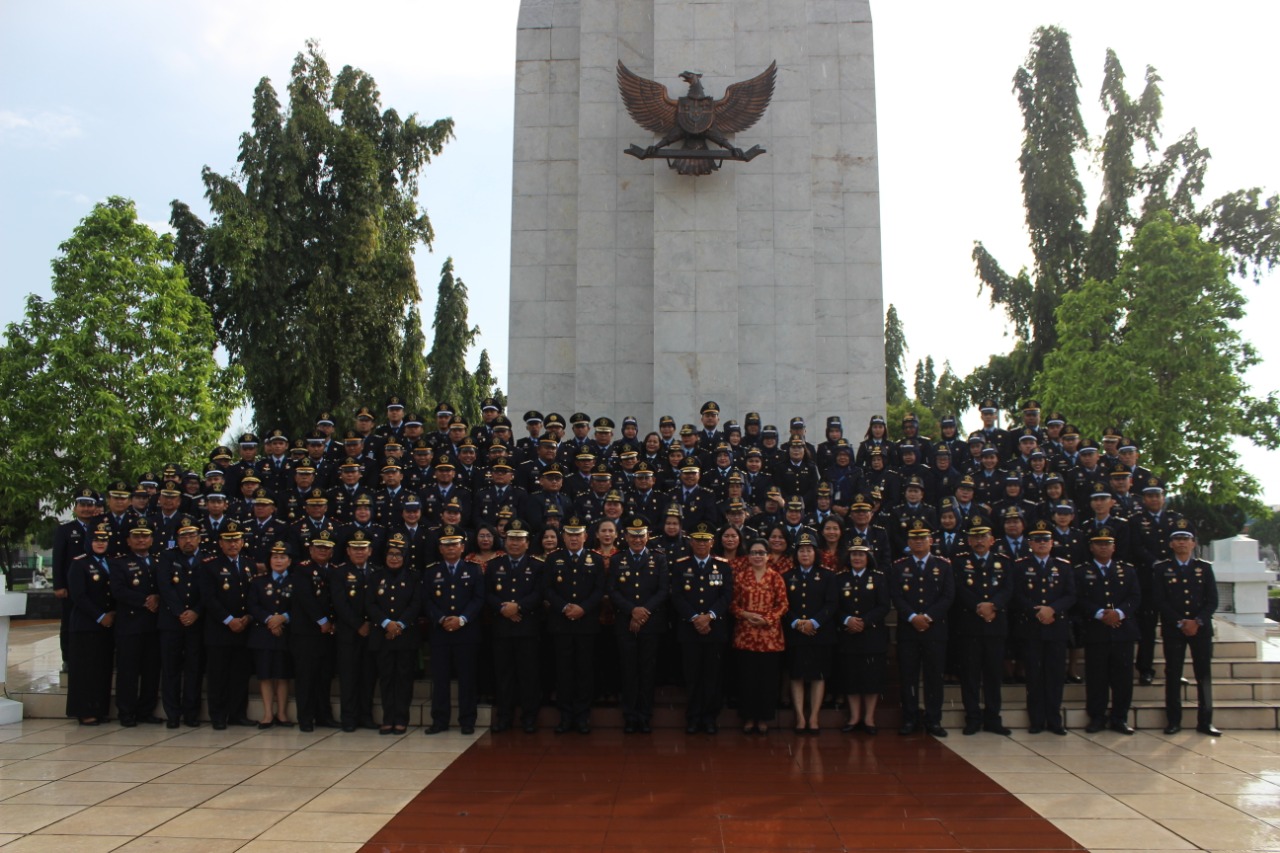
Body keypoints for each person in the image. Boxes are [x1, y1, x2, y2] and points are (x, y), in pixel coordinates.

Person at [1153, 521, 1221, 736]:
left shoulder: (1204, 568)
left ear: (1193, 543)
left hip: (1200, 628)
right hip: (1175, 628)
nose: (1181, 543)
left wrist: (1196, 621)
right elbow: (1160, 600)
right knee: (1173, 674)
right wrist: (1181, 621)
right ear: (1171, 544)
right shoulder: (1162, 569)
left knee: (1204, 675)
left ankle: (1206, 721)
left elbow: (1212, 601)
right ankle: (1174, 720)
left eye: (1185, 539)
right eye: (1177, 539)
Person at [890, 520, 954, 737]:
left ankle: (934, 720)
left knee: (934, 677)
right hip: (908, 630)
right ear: (908, 542)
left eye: (922, 538)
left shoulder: (944, 565)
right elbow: (896, 596)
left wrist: (926, 617)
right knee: (908, 677)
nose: (918, 542)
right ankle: (909, 719)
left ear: (931, 541)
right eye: (914, 538)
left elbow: (948, 596)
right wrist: (911, 616)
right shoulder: (899, 566)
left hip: (935, 630)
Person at [669, 522, 734, 734]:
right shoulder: (680, 566)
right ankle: (693, 717)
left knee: (712, 676)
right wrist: (696, 618)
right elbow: (677, 596)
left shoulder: (722, 566)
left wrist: (710, 616)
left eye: (705, 540)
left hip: (715, 629)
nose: (701, 543)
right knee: (693, 676)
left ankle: (709, 717)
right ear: (691, 541)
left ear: (712, 542)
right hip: (690, 629)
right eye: (697, 539)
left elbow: (726, 596)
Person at [1075, 526, 1141, 734]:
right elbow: (1078, 598)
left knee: (1123, 678)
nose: (1103, 547)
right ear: (1091, 547)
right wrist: (1099, 614)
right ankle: (1097, 717)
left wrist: (1119, 613)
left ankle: (1120, 718)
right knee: (1097, 677)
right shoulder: (1081, 571)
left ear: (1114, 547)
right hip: (1096, 631)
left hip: (1123, 631)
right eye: (1099, 544)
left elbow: (1135, 597)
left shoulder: (1127, 570)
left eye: (1107, 544)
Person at [953, 515, 1014, 736]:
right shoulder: (959, 561)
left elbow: (1008, 588)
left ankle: (993, 718)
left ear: (992, 540)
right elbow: (959, 588)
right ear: (968, 540)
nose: (979, 541)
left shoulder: (1004, 561)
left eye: (983, 536)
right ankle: (973, 717)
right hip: (970, 625)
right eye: (974, 537)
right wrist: (979, 606)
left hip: (995, 625)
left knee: (993, 675)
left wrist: (993, 605)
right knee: (969, 675)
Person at [1012, 524, 1075, 735]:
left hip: (1056, 628)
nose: (1041, 544)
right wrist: (1036, 611)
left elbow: (1070, 595)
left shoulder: (1064, 566)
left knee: (1055, 675)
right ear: (1029, 544)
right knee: (1034, 676)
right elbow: (1017, 594)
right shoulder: (1020, 566)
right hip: (1031, 627)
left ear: (1051, 543)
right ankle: (1036, 720)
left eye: (1045, 540)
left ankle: (1054, 720)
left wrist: (1052, 609)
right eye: (1037, 541)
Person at [607, 518, 669, 733]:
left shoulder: (659, 559)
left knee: (647, 670)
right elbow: (612, 590)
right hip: (625, 623)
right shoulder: (617, 560)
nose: (637, 539)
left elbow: (663, 590)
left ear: (647, 537)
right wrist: (632, 610)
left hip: (651, 623)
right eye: (632, 535)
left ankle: (645, 715)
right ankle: (630, 716)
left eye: (641, 535)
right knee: (628, 670)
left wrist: (643, 612)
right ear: (625, 537)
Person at [545, 517, 604, 734]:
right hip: (561, 624)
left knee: (584, 671)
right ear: (564, 536)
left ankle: (582, 716)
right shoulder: (554, 559)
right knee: (564, 672)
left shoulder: (595, 559)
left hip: (586, 624)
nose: (573, 538)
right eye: (569, 534)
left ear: (585, 537)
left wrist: (583, 608)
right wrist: (565, 607)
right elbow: (548, 589)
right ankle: (565, 716)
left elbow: (599, 590)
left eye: (577, 534)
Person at [423, 525, 485, 734]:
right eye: (446, 545)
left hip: (466, 632)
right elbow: (427, 600)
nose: (450, 548)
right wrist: (441, 618)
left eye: (454, 544)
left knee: (467, 679)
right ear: (440, 548)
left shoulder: (473, 569)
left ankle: (467, 720)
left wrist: (462, 619)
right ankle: (440, 720)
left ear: (462, 547)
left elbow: (478, 599)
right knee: (440, 680)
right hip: (440, 632)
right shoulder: (432, 571)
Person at [486, 520, 544, 733]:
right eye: (511, 538)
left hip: (528, 629)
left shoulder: (537, 565)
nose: (515, 543)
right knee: (504, 676)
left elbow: (539, 593)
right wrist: (504, 609)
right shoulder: (493, 565)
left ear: (528, 543)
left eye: (520, 539)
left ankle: (529, 718)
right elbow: (488, 593)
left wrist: (518, 607)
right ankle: (504, 717)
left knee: (529, 676)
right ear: (505, 540)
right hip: (502, 628)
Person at [200, 521, 255, 729]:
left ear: (242, 542)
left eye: (237, 540)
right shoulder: (209, 565)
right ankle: (218, 715)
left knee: (240, 675)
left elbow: (252, 595)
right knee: (218, 675)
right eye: (228, 540)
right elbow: (209, 598)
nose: (233, 544)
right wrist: (228, 620)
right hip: (219, 629)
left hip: (243, 628)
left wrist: (247, 617)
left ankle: (238, 713)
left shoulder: (248, 564)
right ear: (220, 543)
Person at [366, 533, 422, 734]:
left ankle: (401, 718)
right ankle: (388, 718)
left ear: (405, 556)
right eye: (391, 553)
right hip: (382, 635)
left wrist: (399, 625)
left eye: (399, 554)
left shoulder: (414, 577)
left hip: (405, 636)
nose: (394, 558)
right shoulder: (375, 576)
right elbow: (370, 604)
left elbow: (416, 604)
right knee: (386, 678)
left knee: (404, 678)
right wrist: (387, 623)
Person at [731, 538, 788, 734]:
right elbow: (732, 604)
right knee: (747, 680)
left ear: (768, 556)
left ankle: (763, 719)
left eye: (761, 553)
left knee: (767, 681)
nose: (757, 556)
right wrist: (745, 614)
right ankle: (748, 718)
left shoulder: (776, 577)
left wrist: (768, 619)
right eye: (754, 552)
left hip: (770, 638)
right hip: (745, 635)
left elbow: (783, 605)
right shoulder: (740, 577)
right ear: (748, 556)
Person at [783, 532, 836, 734]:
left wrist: (814, 622)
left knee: (818, 676)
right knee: (796, 675)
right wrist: (797, 622)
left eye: (808, 550)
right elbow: (784, 604)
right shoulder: (787, 576)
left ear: (816, 553)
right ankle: (800, 717)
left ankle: (813, 717)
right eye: (801, 550)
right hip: (795, 633)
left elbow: (832, 604)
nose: (805, 554)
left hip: (820, 634)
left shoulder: (827, 575)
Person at [110, 522, 163, 726]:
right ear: (128, 541)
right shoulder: (119, 563)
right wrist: (145, 601)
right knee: (128, 670)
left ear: (151, 539)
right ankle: (126, 711)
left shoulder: (158, 561)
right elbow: (118, 590)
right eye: (137, 536)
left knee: (151, 671)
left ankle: (146, 710)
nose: (141, 540)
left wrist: (157, 597)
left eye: (145, 536)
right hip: (130, 624)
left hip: (153, 625)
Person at [835, 537, 890, 734]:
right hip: (848, 635)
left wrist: (864, 622)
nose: (857, 558)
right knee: (851, 677)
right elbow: (835, 606)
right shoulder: (840, 578)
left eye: (861, 554)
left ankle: (869, 718)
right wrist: (847, 619)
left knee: (871, 678)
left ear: (868, 557)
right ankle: (854, 717)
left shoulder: (878, 578)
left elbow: (884, 606)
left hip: (872, 635)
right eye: (853, 554)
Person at [156, 516, 205, 728]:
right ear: (176, 539)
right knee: (170, 669)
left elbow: (209, 591)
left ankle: (191, 713)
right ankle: (173, 714)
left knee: (194, 669)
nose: (188, 540)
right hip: (171, 621)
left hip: (197, 622)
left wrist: (195, 612)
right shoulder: (167, 557)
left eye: (192, 535)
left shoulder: (208, 559)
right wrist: (180, 612)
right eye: (183, 536)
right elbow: (165, 587)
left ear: (199, 538)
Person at [67, 523, 116, 725]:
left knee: (102, 669)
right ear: (89, 542)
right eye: (96, 540)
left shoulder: (111, 563)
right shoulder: (79, 564)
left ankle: (99, 708)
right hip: (86, 625)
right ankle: (83, 711)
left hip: (107, 625)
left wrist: (112, 613)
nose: (100, 543)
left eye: (104, 540)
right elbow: (79, 596)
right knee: (84, 670)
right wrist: (100, 616)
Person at [330, 531, 378, 731]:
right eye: (355, 549)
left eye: (363, 548)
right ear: (348, 551)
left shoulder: (377, 571)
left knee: (368, 677)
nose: (359, 552)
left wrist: (368, 624)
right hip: (349, 633)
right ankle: (349, 717)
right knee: (349, 677)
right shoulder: (339, 572)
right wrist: (358, 624)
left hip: (372, 633)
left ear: (370, 551)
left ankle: (366, 716)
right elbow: (340, 603)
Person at [248, 540, 294, 728]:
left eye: (282, 557)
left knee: (282, 675)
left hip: (286, 633)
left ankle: (282, 714)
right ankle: (267, 714)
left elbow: (300, 605)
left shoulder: (296, 581)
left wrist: (283, 618)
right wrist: (269, 620)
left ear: (289, 561)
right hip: (263, 633)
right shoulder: (259, 581)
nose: (278, 561)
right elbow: (252, 605)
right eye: (275, 557)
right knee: (265, 675)